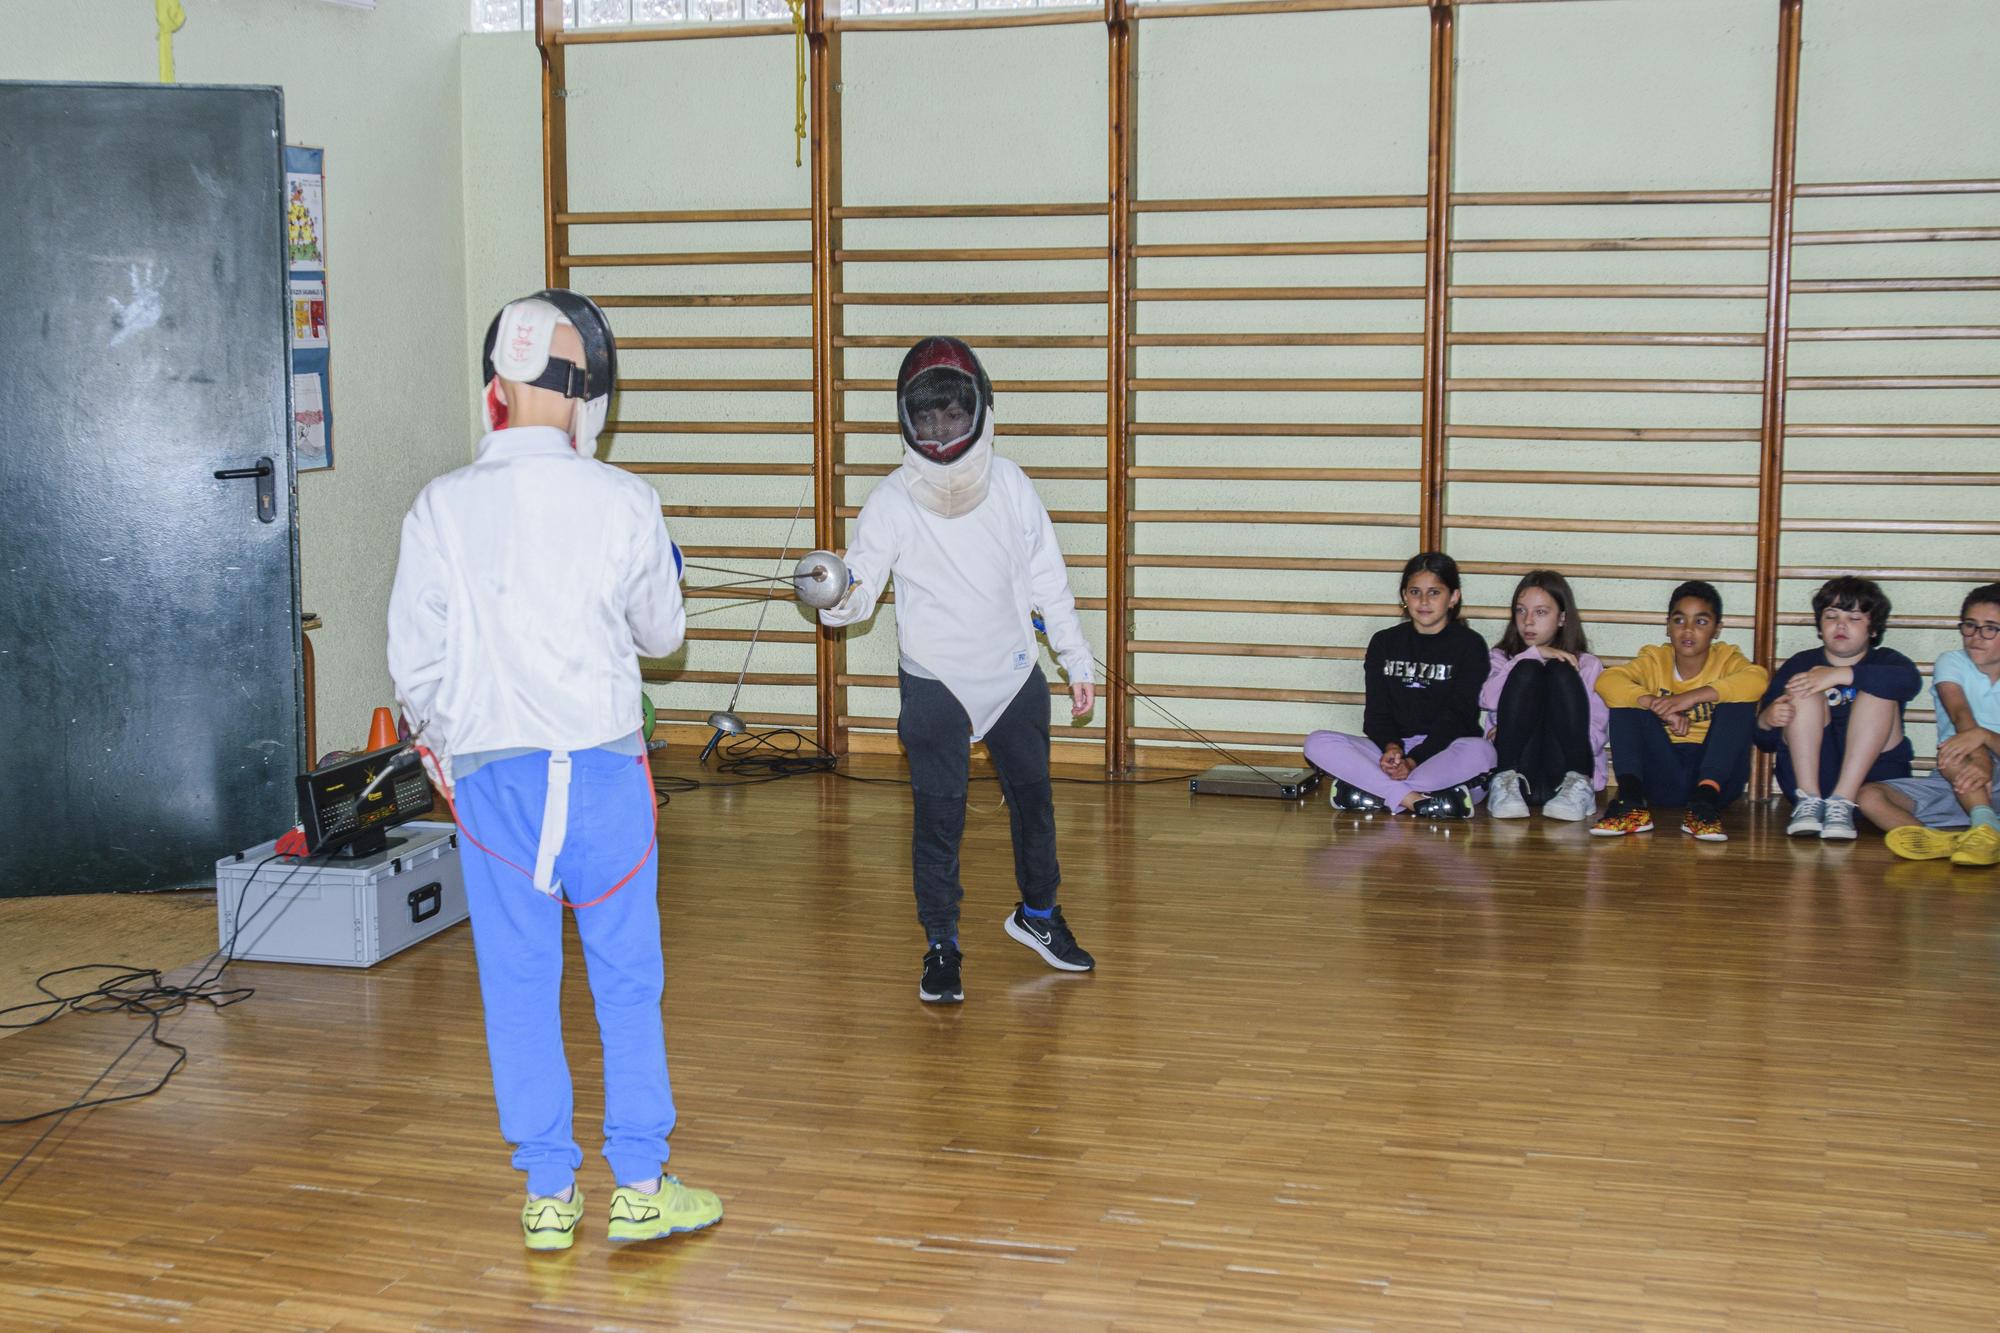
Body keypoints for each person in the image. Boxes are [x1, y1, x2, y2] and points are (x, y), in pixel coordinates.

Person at [388, 290, 721, 1251]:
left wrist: (455, 749)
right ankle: (643, 1186)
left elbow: (417, 664)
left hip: (496, 781)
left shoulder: (440, 505)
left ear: (497, 390)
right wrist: (664, 566)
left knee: (518, 980)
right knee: (625, 978)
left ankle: (545, 1195)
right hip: (607, 779)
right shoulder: (623, 500)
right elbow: (664, 636)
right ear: (586, 396)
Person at [819, 336, 1097, 1004]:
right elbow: (859, 593)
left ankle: (1038, 915)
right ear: (907, 422)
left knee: (1035, 805)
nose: (941, 429)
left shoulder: (1010, 484)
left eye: (952, 414)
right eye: (928, 416)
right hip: (936, 681)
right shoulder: (891, 500)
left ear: (980, 411)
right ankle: (941, 941)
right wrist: (834, 592)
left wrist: (1076, 657)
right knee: (938, 819)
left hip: (1012, 673)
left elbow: (1046, 580)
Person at [1305, 552, 1495, 819]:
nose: (1424, 601)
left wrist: (1413, 760)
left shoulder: (1470, 645)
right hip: (1391, 751)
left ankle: (1374, 793)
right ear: (1404, 596)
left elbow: (1459, 716)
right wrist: (1392, 748)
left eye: (1434, 592)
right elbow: (1376, 713)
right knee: (1317, 743)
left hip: (1443, 750)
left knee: (1482, 752)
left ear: (1453, 597)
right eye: (1415, 592)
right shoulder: (1384, 642)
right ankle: (1417, 800)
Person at [1591, 580, 1769, 842]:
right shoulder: (1654, 660)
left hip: (1715, 782)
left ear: (1717, 629)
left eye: (1701, 622)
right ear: (1668, 626)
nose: (1688, 630)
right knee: (1627, 700)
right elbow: (1606, 681)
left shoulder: (1727, 659)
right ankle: (1630, 805)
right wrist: (1652, 702)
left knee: (1739, 701)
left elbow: (1759, 679)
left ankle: (1702, 807)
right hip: (1664, 776)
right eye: (1679, 620)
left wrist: (1690, 698)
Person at [1754, 576, 1918, 841]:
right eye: (1831, 616)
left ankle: (1842, 800)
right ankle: (1810, 802)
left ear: (1873, 629)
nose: (1841, 625)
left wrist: (1840, 675)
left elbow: (1910, 682)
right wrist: (1767, 719)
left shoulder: (1887, 660)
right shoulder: (1800, 663)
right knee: (1803, 688)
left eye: (1854, 618)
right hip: (1814, 780)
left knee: (1879, 689)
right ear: (1819, 626)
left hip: (1873, 784)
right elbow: (1763, 741)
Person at [1858, 583, 2000, 867]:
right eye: (1970, 626)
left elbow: (1972, 733)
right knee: (1868, 797)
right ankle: (1950, 838)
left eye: (1990, 628)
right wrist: (1978, 756)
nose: (1976, 636)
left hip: (1977, 769)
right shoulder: (1952, 662)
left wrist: (1982, 738)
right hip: (1958, 781)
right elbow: (1960, 714)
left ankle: (1985, 828)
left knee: (1954, 754)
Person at [1480, 569, 1607, 821]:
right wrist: (1532, 654)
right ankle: (1503, 781)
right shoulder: (1502, 658)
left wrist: (1551, 725)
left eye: (1540, 612)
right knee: (1527, 670)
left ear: (1561, 618)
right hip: (1517, 776)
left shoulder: (1588, 664)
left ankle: (1580, 782)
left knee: (1560, 671)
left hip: (1564, 775)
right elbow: (1487, 700)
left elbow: (1595, 735)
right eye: (1520, 610)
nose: (1528, 621)